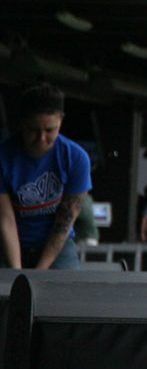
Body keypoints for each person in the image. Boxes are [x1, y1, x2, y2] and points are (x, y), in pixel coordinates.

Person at [0, 83, 92, 269]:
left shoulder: (76, 158)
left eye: (50, 130)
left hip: (57, 245)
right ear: (21, 123)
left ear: (61, 121)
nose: (42, 138)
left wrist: (40, 272)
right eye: (33, 130)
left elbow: (64, 224)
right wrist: (17, 272)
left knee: (66, 294)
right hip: (9, 242)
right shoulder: (3, 157)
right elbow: (5, 220)